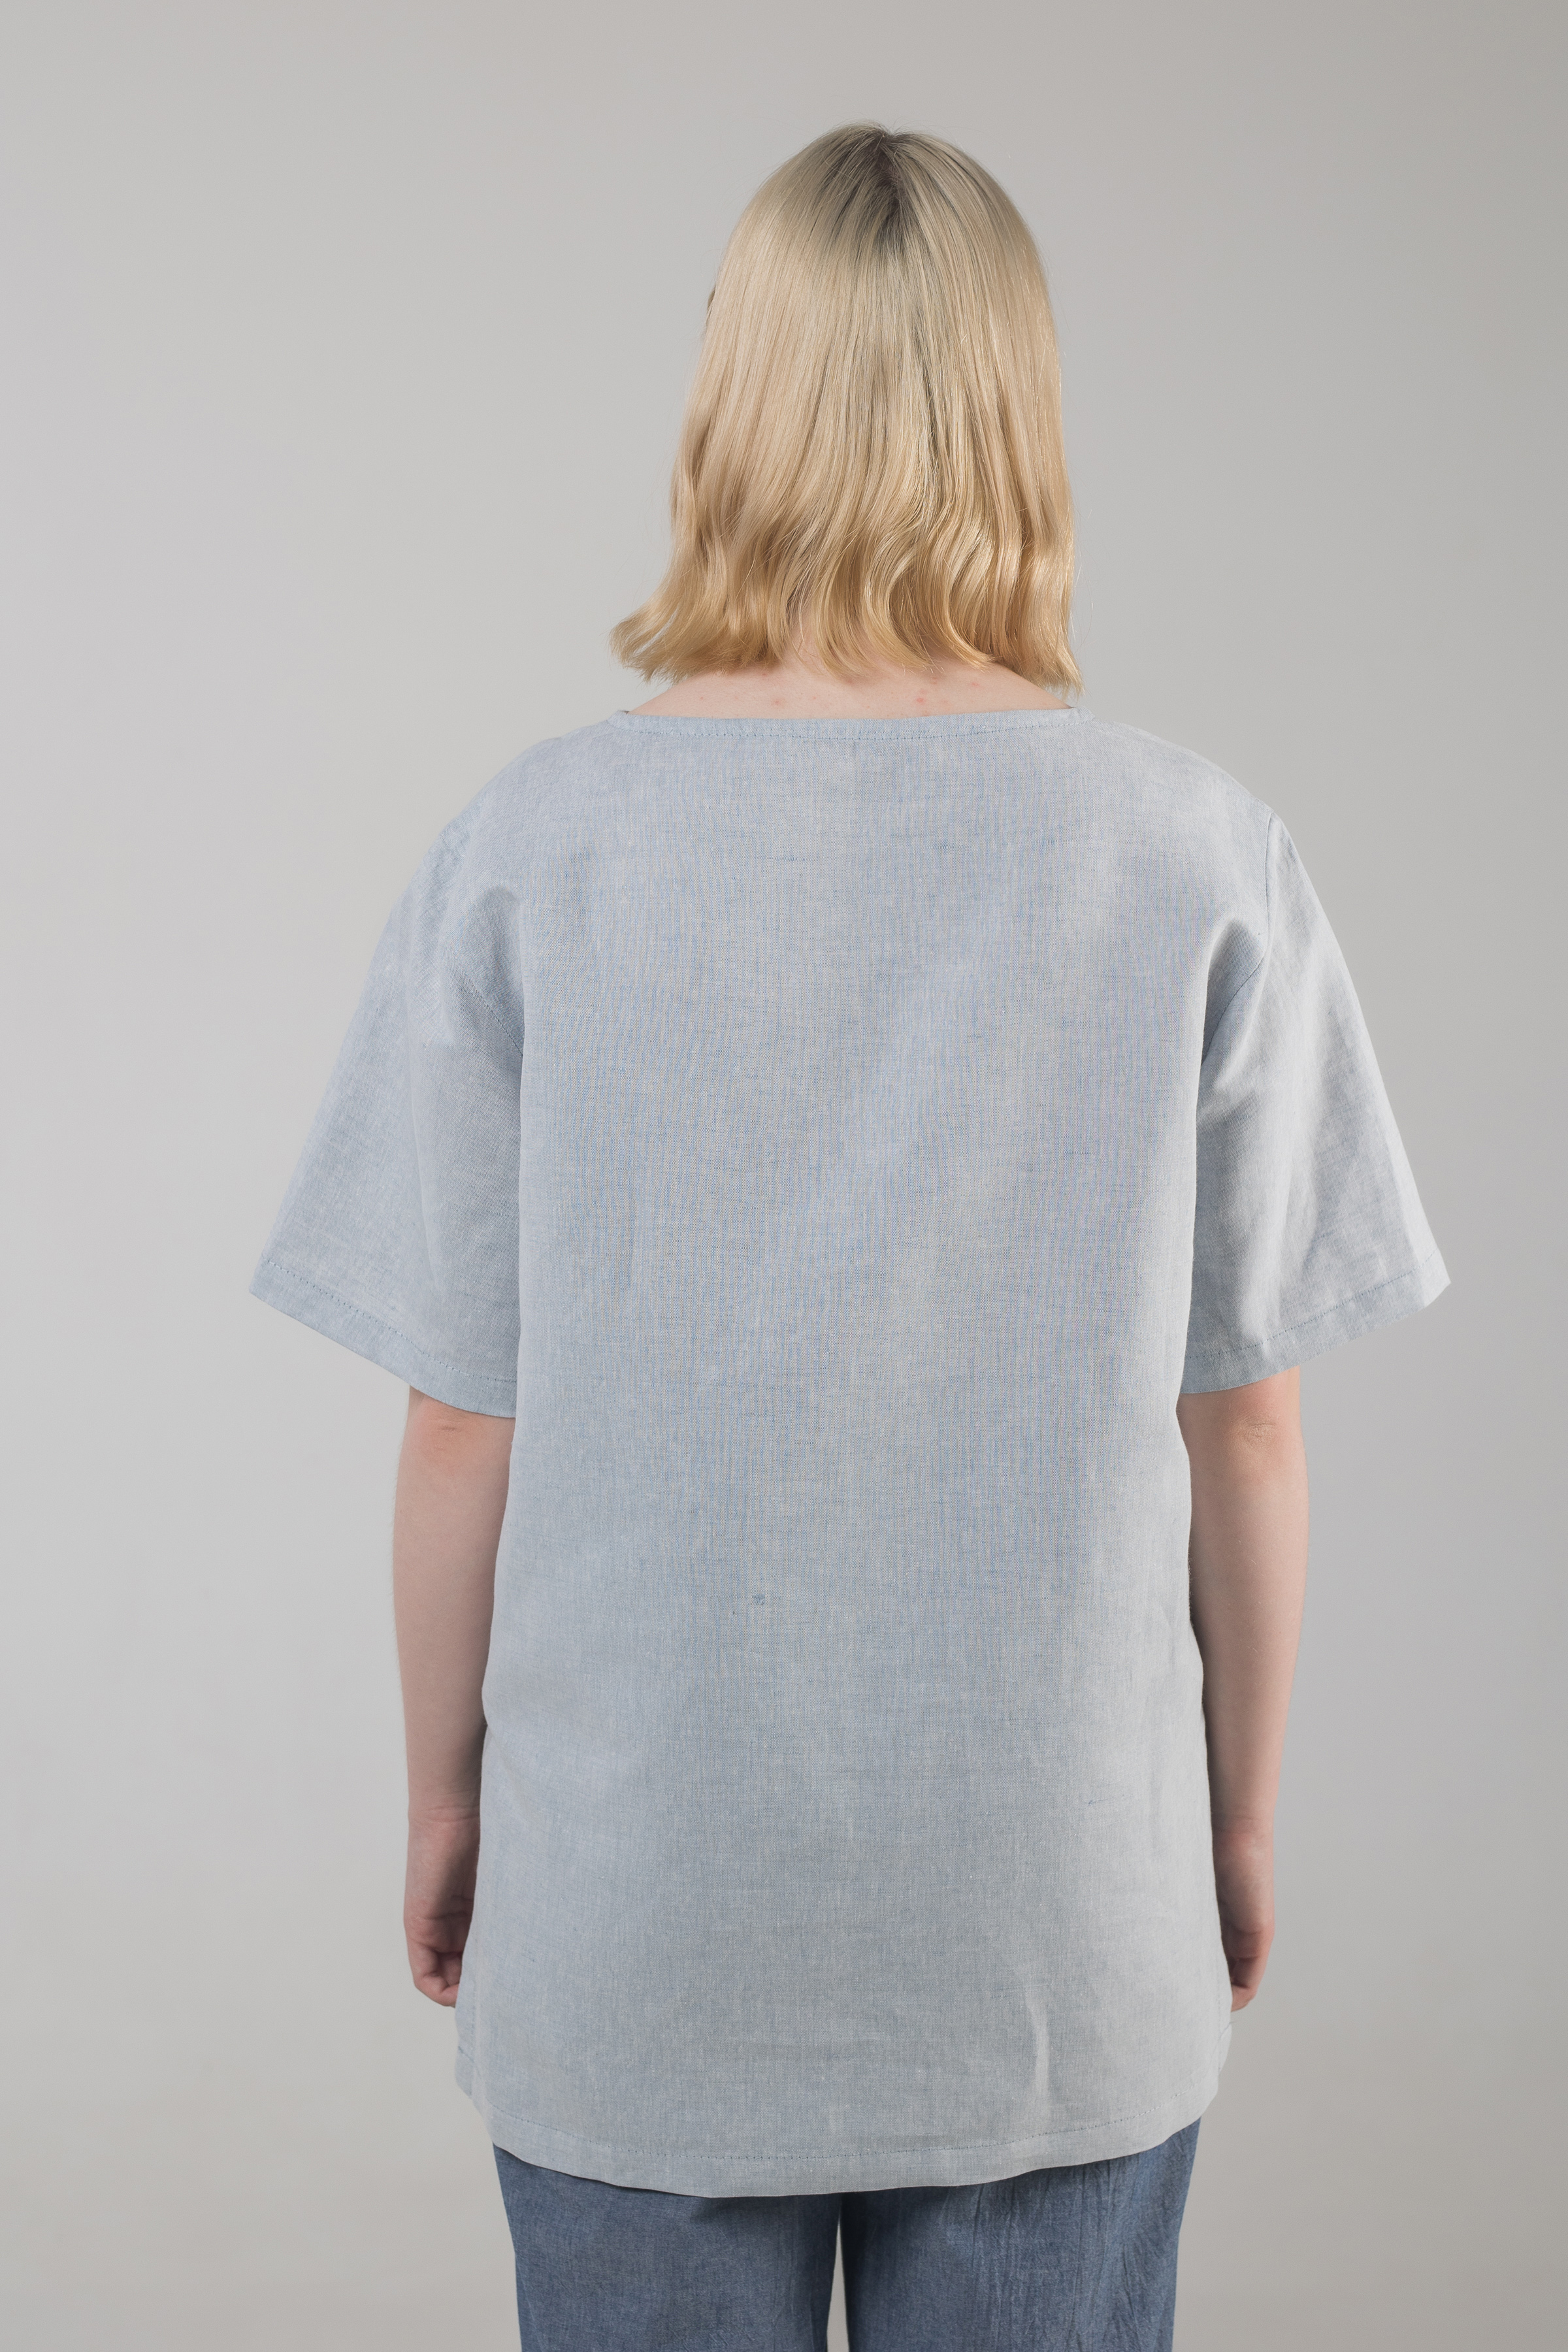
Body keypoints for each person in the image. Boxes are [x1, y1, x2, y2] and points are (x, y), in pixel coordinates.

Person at [252, 125, 1448, 2352]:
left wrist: (440, 1798)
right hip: (1055, 1924)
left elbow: (456, 1425)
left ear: (734, 398)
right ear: (1020, 408)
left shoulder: (527, 852)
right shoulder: (1200, 855)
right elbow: (1250, 1424)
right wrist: (1237, 1821)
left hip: (637, 1919)